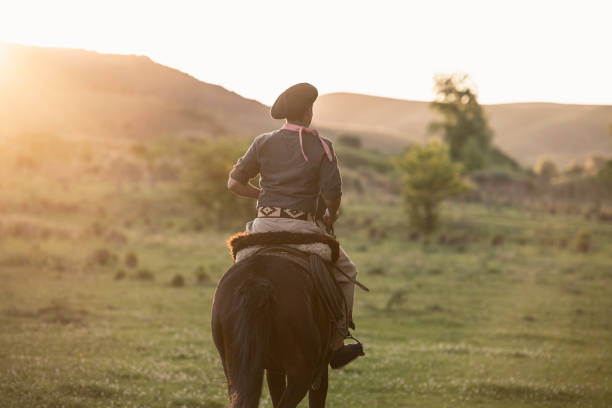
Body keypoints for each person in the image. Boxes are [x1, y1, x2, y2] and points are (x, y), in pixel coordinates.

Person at [227, 82, 363, 368]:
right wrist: (331, 216)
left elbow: (234, 183)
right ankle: (338, 343)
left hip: (262, 227)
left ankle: (231, 332)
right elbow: (332, 195)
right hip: (303, 229)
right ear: (307, 110)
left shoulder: (262, 141)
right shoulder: (322, 146)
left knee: (239, 267)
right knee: (347, 271)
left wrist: (261, 194)